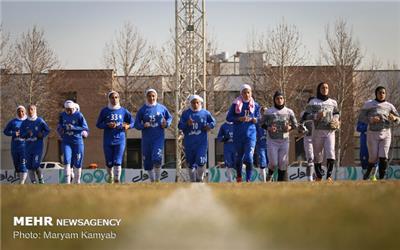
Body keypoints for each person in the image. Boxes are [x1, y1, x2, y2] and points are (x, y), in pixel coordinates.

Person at [358, 86, 400, 180]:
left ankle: (381, 179)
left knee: (383, 156)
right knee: (373, 158)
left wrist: (394, 119)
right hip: (372, 133)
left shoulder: (390, 106)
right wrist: (371, 119)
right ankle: (367, 174)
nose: (382, 94)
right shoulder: (369, 104)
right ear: (376, 93)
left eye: (383, 93)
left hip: (386, 133)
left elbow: (398, 119)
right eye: (380, 93)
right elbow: (361, 118)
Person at [303, 82, 340, 182]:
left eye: (327, 87)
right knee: (318, 155)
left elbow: (336, 113)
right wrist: (315, 116)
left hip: (330, 131)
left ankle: (329, 176)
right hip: (318, 131)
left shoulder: (333, 102)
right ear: (319, 89)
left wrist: (336, 120)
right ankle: (319, 176)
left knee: (330, 152)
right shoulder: (313, 102)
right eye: (323, 87)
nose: (325, 89)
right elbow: (305, 116)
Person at [134, 89, 172, 182]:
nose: (151, 98)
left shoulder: (162, 108)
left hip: (158, 137)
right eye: (149, 96)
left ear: (156, 97)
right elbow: (136, 124)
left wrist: (166, 124)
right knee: (147, 162)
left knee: (157, 157)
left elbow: (169, 118)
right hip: (146, 139)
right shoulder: (143, 110)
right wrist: (143, 125)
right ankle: (152, 180)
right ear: (146, 97)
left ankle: (157, 180)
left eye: (153, 96)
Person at [96, 91, 134, 183]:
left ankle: (117, 180)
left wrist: (127, 126)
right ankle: (111, 176)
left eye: (116, 97)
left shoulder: (123, 111)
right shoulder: (104, 111)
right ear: (109, 99)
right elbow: (98, 124)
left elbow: (133, 122)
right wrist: (107, 125)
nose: (114, 99)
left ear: (119, 99)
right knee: (109, 163)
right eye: (112, 97)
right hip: (108, 140)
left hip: (120, 140)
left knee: (117, 161)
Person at [226, 84, 260, 182]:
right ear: (241, 93)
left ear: (251, 93)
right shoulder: (235, 104)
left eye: (248, 92)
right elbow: (228, 118)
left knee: (249, 158)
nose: (246, 94)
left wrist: (255, 120)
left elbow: (260, 118)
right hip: (238, 135)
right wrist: (238, 118)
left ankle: (248, 179)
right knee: (239, 158)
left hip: (251, 136)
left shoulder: (255, 105)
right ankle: (239, 176)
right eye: (244, 92)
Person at [178, 94, 216, 182]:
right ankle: (192, 180)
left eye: (197, 103)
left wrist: (209, 126)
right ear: (190, 103)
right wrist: (187, 123)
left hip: (201, 143)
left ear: (200, 103)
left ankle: (200, 178)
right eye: (193, 103)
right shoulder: (186, 113)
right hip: (189, 143)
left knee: (201, 160)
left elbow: (213, 122)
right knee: (190, 163)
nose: (195, 105)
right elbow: (180, 126)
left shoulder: (205, 113)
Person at [261, 91, 297, 182]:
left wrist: (289, 127)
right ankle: (270, 174)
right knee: (273, 163)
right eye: (277, 98)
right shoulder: (269, 112)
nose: (279, 100)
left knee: (283, 163)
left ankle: (280, 182)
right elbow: (261, 123)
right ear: (274, 100)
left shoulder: (289, 111)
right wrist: (268, 128)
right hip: (272, 141)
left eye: (281, 98)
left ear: (284, 100)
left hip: (284, 140)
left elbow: (295, 125)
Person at [57, 100, 89, 184]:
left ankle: (77, 181)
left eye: (70, 109)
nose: (68, 111)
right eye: (67, 109)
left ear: (74, 108)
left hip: (77, 142)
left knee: (78, 162)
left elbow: (85, 128)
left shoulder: (79, 115)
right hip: (66, 141)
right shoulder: (62, 115)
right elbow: (59, 126)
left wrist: (73, 128)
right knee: (67, 160)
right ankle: (67, 182)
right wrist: (61, 130)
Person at [20, 105, 50, 184]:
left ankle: (40, 178)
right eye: (29, 109)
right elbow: (21, 135)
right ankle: (33, 182)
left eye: (32, 109)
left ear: (35, 110)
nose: (30, 111)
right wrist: (27, 133)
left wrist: (42, 134)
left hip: (37, 147)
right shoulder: (24, 122)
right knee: (29, 166)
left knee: (35, 165)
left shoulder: (40, 121)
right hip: (28, 148)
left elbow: (47, 130)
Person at [3, 106, 28, 184]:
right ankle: (20, 179)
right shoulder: (13, 122)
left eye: (22, 111)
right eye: (19, 111)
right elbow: (5, 131)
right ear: (17, 112)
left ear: (25, 112)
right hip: (15, 147)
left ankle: (22, 183)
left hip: (25, 147)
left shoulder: (29, 121)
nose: (21, 113)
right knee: (17, 166)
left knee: (23, 165)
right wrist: (14, 133)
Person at [298, 97, 315, 182]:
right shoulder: (303, 114)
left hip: (318, 138)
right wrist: (303, 129)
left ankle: (317, 177)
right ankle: (310, 178)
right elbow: (300, 127)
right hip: (308, 138)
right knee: (310, 158)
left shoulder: (320, 113)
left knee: (318, 159)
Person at [256, 106, 269, 182]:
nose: (264, 112)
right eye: (263, 110)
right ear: (260, 112)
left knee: (271, 164)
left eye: (266, 110)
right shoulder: (258, 122)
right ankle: (264, 182)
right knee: (262, 163)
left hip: (270, 145)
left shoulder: (271, 121)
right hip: (261, 145)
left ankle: (270, 179)